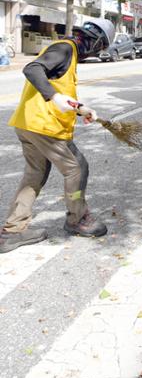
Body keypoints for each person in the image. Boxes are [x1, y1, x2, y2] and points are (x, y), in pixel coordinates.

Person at [0, 18, 115, 254]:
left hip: (28, 124)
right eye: (101, 48)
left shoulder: (67, 53)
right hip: (44, 127)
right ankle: (77, 218)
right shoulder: (65, 48)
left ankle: (12, 231)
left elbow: (58, 88)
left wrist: (81, 108)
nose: (99, 52)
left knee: (35, 175)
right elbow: (32, 68)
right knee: (77, 168)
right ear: (97, 43)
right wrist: (53, 97)